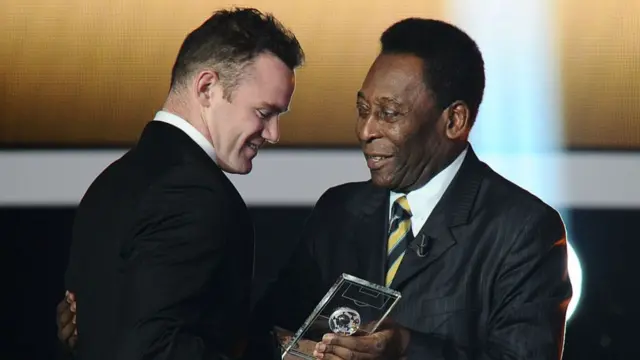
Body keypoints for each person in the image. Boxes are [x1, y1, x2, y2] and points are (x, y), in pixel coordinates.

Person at [59, 17, 572, 360]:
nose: (366, 130)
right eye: (362, 109)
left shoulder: (522, 229)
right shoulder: (339, 211)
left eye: (389, 114)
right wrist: (112, 315)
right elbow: (264, 338)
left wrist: (407, 350)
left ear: (455, 120)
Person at [60, 7, 303, 360]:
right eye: (264, 113)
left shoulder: (113, 181)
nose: (274, 134)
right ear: (207, 88)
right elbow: (153, 350)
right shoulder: (196, 196)